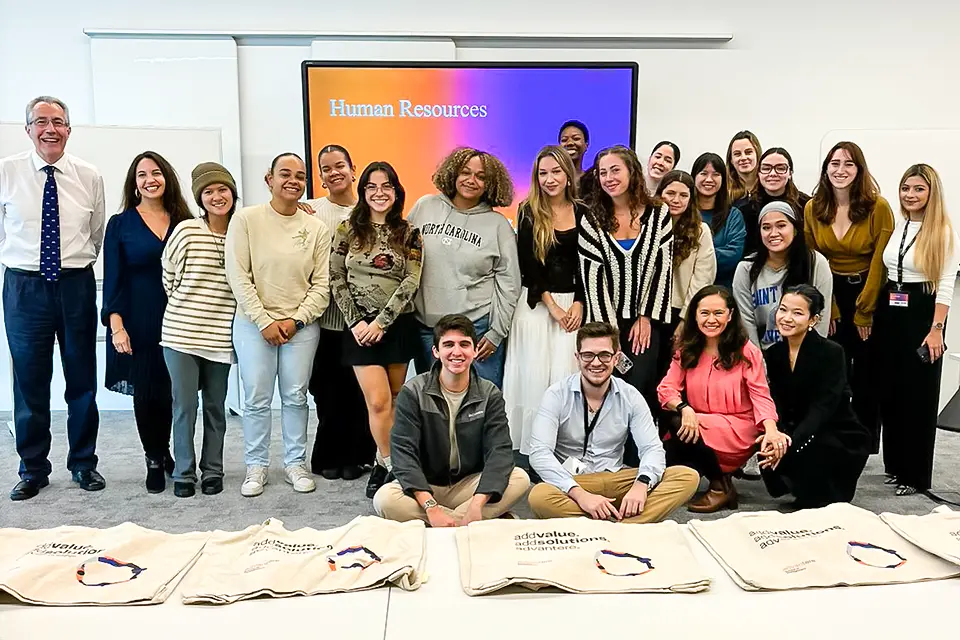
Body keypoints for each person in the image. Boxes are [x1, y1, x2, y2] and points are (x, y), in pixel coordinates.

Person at [1, 96, 106, 501]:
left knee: (82, 379)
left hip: (75, 284)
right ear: (27, 129)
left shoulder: (88, 175)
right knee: (29, 381)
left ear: (68, 129)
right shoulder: (6, 171)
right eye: (41, 121)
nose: (50, 129)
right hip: (25, 288)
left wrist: (72, 267)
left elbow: (95, 233)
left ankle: (84, 463)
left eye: (58, 122)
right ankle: (32, 468)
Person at [225, 152, 330, 497]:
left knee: (296, 396)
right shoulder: (246, 219)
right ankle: (256, 465)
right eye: (285, 174)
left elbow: (322, 284)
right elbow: (238, 277)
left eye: (300, 176)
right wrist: (264, 320)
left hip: (300, 327)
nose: (293, 181)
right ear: (269, 179)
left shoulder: (315, 228)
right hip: (254, 325)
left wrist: (295, 320)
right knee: (256, 397)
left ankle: (295, 463)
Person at [526, 322, 699, 522]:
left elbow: (652, 448)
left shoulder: (630, 395)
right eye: (588, 355)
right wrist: (580, 495)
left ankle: (607, 524)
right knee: (539, 497)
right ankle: (628, 524)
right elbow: (539, 453)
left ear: (616, 358)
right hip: (572, 483)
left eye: (604, 355)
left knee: (686, 476)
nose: (596, 363)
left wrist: (641, 485)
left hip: (616, 478)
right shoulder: (556, 394)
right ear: (577, 358)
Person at [373, 314, 530, 525]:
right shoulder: (413, 391)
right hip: (425, 487)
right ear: (436, 352)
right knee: (385, 499)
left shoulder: (489, 393)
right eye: (448, 345)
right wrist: (430, 507)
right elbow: (403, 455)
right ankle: (475, 521)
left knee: (520, 478)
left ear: (474, 351)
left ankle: (451, 522)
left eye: (464, 344)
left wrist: (476, 504)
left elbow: (499, 452)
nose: (457, 352)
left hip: (469, 485)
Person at [330, 161, 422, 499]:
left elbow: (412, 279)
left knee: (396, 400)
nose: (379, 193)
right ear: (363, 191)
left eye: (387, 186)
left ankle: (385, 460)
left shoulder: (409, 232)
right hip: (357, 329)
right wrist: (357, 322)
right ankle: (390, 465)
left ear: (396, 191)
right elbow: (336, 277)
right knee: (379, 402)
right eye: (372, 186)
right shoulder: (347, 230)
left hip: (396, 326)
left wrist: (383, 322)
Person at [102, 151, 193, 494]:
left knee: (171, 390)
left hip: (181, 317)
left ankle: (165, 450)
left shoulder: (186, 220)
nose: (149, 179)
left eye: (156, 172)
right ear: (134, 183)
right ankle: (153, 459)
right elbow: (113, 280)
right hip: (137, 318)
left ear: (166, 178)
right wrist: (116, 326)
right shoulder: (121, 224)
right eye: (142, 175)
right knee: (145, 391)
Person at [657, 285, 789, 513]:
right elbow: (666, 388)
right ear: (695, 315)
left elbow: (760, 395)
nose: (711, 319)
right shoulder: (686, 349)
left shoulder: (747, 351)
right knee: (672, 421)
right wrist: (684, 407)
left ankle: (720, 486)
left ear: (730, 315)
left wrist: (771, 429)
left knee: (678, 425)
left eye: (718, 313)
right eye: (704, 313)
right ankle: (723, 479)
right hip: (699, 423)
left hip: (739, 427)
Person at [875, 164, 960, 496]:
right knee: (893, 392)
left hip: (923, 312)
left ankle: (915, 476)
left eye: (918, 189)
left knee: (918, 396)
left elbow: (945, 285)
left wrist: (936, 329)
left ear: (932, 192)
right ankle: (895, 467)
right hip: (891, 308)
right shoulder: (900, 225)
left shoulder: (943, 232)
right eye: (905, 188)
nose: (910, 195)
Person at [804, 141, 894, 451]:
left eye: (848, 164)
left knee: (867, 372)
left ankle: (865, 442)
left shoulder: (877, 207)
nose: (840, 170)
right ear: (826, 169)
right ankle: (835, 435)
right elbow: (814, 261)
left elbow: (881, 262)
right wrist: (832, 309)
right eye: (834, 163)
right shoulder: (813, 208)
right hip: (830, 293)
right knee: (834, 371)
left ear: (859, 170)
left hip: (869, 290)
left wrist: (864, 311)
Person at [408, 147, 520, 389]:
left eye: (481, 176)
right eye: (465, 172)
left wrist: (496, 333)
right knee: (432, 407)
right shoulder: (425, 207)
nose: (471, 180)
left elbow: (509, 285)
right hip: (427, 330)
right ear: (453, 173)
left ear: (491, 184)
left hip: (476, 331)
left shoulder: (498, 226)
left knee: (480, 407)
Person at [160, 162, 238, 498]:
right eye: (209, 192)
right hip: (181, 334)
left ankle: (213, 471)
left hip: (221, 338)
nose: (217, 197)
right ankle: (183, 472)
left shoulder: (243, 231)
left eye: (222, 189)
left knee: (215, 408)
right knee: (184, 406)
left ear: (233, 193)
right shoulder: (186, 231)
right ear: (199, 199)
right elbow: (169, 275)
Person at [503, 146, 586, 458]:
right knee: (534, 378)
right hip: (537, 305)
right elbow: (529, 266)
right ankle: (532, 454)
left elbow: (588, 265)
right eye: (543, 173)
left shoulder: (583, 212)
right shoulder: (527, 210)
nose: (550, 179)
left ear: (568, 175)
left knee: (567, 377)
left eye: (556, 172)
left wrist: (578, 303)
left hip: (574, 305)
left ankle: (564, 451)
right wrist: (553, 307)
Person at [578, 145, 673, 414]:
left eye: (615, 170)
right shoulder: (592, 219)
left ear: (632, 171)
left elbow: (661, 269)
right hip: (606, 323)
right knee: (606, 393)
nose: (609, 178)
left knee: (640, 391)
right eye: (602, 173)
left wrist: (645, 317)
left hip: (645, 321)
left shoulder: (659, 214)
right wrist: (610, 333)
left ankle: (636, 455)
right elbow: (593, 279)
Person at [763, 285, 870, 508]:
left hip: (832, 428)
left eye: (797, 313)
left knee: (814, 495)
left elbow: (823, 407)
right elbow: (776, 402)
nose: (787, 318)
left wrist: (790, 443)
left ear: (813, 320)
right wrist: (778, 436)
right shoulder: (774, 352)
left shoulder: (832, 352)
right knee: (768, 441)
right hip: (795, 426)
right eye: (783, 310)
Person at [304, 144, 374, 484]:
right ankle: (328, 456)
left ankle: (360, 456)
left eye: (340, 166)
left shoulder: (369, 210)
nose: (334, 173)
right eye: (326, 168)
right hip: (323, 320)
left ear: (352, 168)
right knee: (327, 393)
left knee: (359, 393)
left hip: (362, 319)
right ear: (320, 176)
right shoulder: (310, 210)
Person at [733, 201, 832, 349]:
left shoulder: (816, 263)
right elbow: (746, 321)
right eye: (766, 227)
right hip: (763, 354)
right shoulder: (746, 269)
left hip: (804, 353)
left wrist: (806, 359)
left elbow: (821, 318)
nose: (773, 233)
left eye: (781, 226)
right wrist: (758, 363)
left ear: (795, 229)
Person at [655, 170, 716, 380]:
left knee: (672, 370)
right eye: (670, 193)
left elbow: (703, 278)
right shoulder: (645, 226)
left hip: (680, 311)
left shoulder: (701, 231)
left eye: (683, 195)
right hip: (649, 312)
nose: (676, 200)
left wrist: (685, 320)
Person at [692, 152, 745, 289]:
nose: (709, 179)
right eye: (703, 173)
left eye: (716, 174)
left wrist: (695, 255)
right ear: (694, 176)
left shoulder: (733, 216)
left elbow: (733, 255)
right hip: (685, 289)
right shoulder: (685, 213)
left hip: (721, 290)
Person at [725, 131, 762, 253]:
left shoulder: (769, 191)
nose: (743, 158)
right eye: (737, 154)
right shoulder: (724, 195)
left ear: (757, 154)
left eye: (748, 152)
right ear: (731, 160)